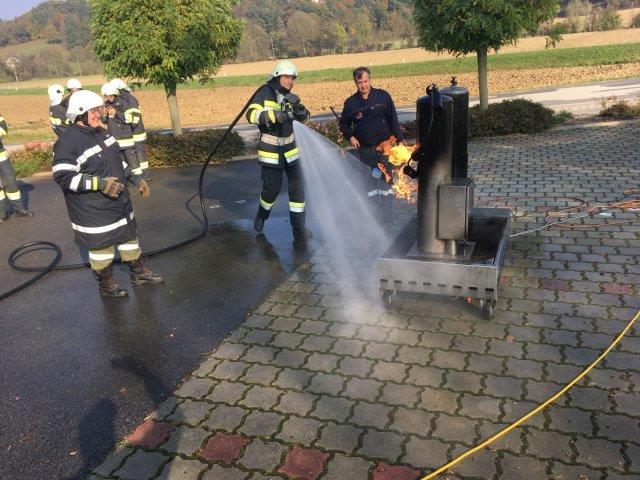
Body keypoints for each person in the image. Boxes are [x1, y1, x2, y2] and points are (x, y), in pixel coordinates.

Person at [52, 90, 162, 298]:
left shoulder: (102, 133)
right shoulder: (68, 142)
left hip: (119, 203)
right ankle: (106, 284)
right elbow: (63, 177)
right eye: (94, 111)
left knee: (129, 238)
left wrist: (135, 179)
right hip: (94, 209)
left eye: (99, 110)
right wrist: (99, 184)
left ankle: (138, 273)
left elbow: (117, 162)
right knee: (102, 248)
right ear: (80, 114)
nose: (99, 114)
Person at [245, 60, 311, 249]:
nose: (291, 81)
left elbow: (306, 118)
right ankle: (262, 215)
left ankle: (299, 229)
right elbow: (251, 114)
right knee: (271, 189)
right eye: (287, 77)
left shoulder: (293, 97)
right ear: (277, 76)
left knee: (298, 191)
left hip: (292, 151)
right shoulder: (263, 93)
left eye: (293, 78)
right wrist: (272, 115)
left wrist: (302, 113)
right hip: (271, 151)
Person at [339, 67, 403, 198]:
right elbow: (343, 124)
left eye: (365, 81)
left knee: (386, 181)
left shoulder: (383, 96)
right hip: (365, 150)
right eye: (360, 82)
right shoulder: (351, 103)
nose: (363, 85)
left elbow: (393, 119)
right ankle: (373, 208)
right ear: (355, 83)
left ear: (370, 80)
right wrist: (350, 137)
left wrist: (399, 140)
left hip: (384, 148)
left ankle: (387, 208)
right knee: (369, 182)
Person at [110, 79, 150, 180]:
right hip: (132, 132)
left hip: (136, 133)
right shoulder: (123, 98)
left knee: (140, 156)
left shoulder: (129, 99)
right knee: (136, 157)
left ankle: (144, 176)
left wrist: (117, 114)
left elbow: (133, 119)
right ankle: (141, 177)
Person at [101, 82, 142, 175]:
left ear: (115, 94)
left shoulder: (123, 103)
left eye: (110, 96)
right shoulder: (106, 104)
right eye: (106, 96)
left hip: (126, 138)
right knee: (123, 165)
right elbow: (106, 122)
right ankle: (127, 180)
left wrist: (116, 113)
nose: (108, 98)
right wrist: (104, 116)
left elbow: (129, 119)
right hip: (115, 140)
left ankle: (140, 179)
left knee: (134, 164)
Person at [0, 114, 34, 222]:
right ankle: (1, 213)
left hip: (1, 157)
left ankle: (20, 210)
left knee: (11, 183)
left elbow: (3, 128)